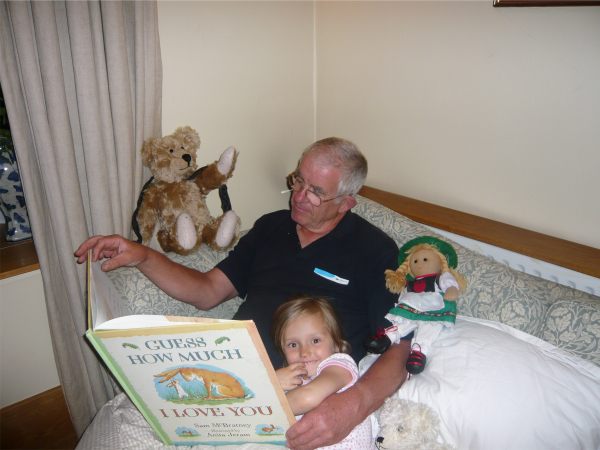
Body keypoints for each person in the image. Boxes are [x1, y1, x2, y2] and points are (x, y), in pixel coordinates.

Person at [74, 137, 410, 449]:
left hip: (303, 400)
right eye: (298, 181)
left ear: (346, 202)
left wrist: (351, 407)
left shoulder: (374, 251)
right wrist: (143, 256)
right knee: (123, 425)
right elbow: (207, 292)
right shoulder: (271, 228)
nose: (298, 195)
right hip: (225, 383)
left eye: (316, 191)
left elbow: (398, 348)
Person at [272, 296, 374, 449]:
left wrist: (269, 388)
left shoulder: (339, 365)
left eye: (315, 341)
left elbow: (307, 397)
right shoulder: (291, 384)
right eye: (293, 344)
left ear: (337, 345)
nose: (304, 352)